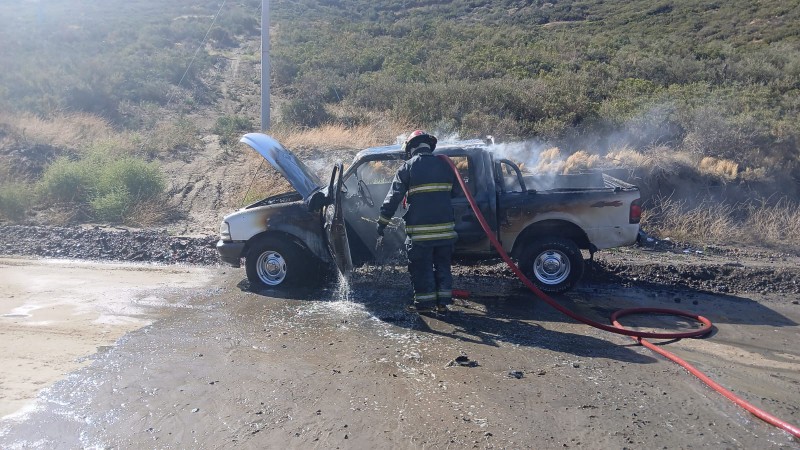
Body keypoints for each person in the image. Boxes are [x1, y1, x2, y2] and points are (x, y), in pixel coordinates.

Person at [376, 130, 458, 313]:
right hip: (446, 232)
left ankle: (425, 306)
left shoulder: (407, 167)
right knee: (443, 266)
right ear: (429, 146)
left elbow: (393, 197)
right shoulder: (446, 167)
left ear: (411, 148)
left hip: (421, 234)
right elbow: (457, 193)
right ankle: (443, 304)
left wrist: (382, 221)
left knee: (422, 268)